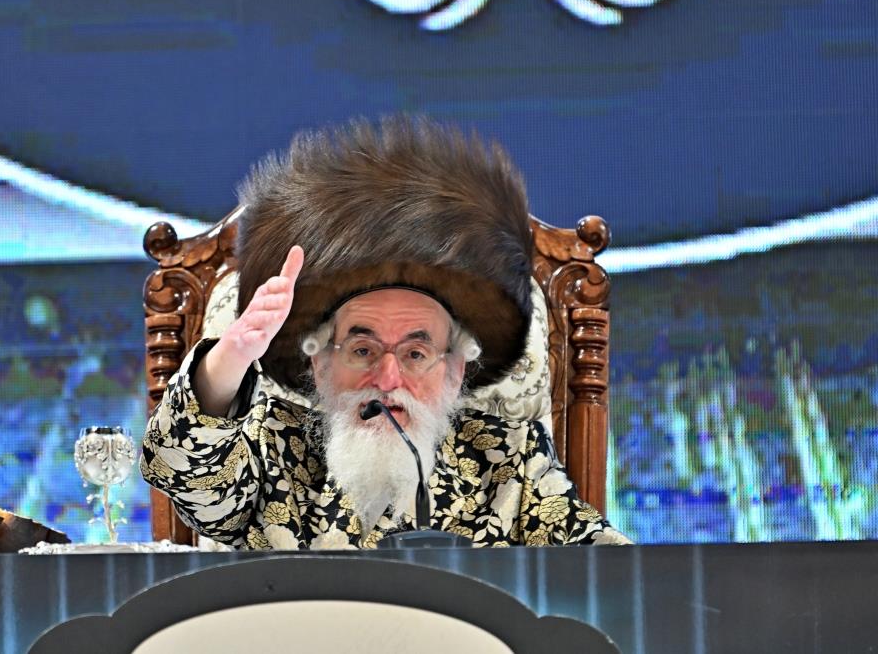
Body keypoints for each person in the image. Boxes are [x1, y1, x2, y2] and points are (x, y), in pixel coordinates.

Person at [141, 117, 629, 550]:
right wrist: (232, 354)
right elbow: (179, 470)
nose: (388, 378)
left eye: (416, 353)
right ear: (320, 364)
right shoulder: (274, 447)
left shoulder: (511, 460)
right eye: (362, 349)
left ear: (455, 370)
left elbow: (608, 571)